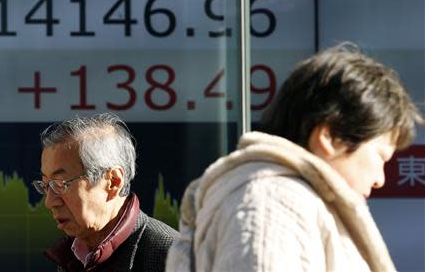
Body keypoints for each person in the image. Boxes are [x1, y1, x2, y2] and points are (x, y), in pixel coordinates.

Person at [166, 43, 424, 272]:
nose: (380, 179)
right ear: (329, 137)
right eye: (380, 156)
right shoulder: (273, 202)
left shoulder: (284, 200)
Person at [32, 113, 178, 272]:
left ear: (113, 182)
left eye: (61, 184)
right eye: (46, 185)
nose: (49, 202)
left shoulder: (173, 258)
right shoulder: (71, 256)